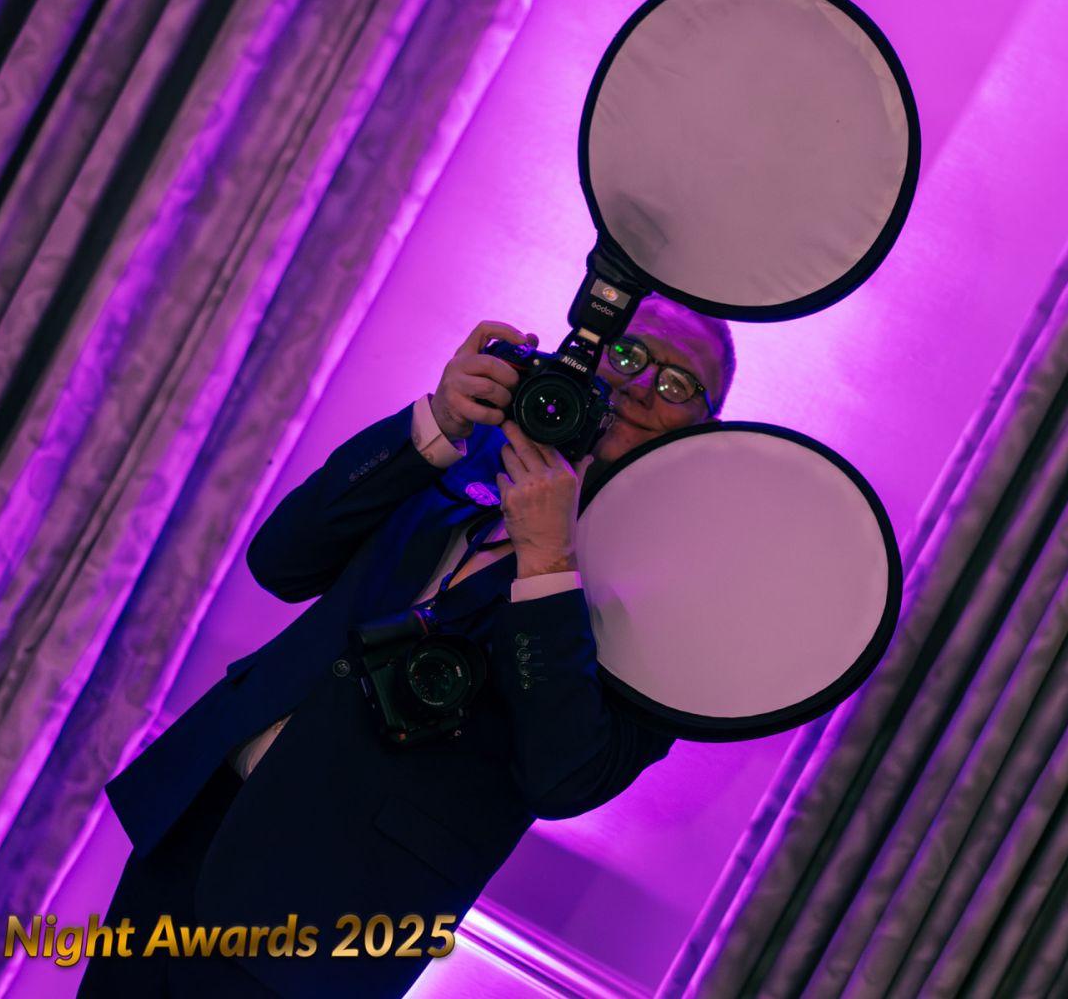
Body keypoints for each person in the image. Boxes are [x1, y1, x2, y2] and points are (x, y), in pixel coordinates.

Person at [81, 294, 735, 997]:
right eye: (629, 353)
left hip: (332, 913)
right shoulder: (477, 445)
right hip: (202, 818)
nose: (639, 384)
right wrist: (437, 420)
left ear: (704, 431)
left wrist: (548, 562)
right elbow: (281, 562)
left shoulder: (672, 601)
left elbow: (567, 778)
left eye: (676, 384)